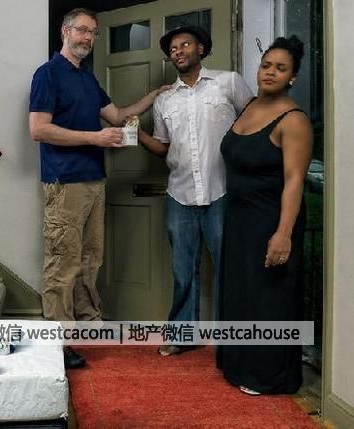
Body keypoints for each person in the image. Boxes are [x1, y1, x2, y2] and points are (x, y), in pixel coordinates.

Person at [29, 8, 164, 369]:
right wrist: (95, 137)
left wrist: (154, 95)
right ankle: (58, 344)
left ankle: (88, 326)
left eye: (93, 33)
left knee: (89, 260)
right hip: (64, 182)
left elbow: (117, 116)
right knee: (62, 263)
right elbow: (39, 129)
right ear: (66, 32)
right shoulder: (47, 74)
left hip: (93, 181)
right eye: (83, 30)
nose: (88, 38)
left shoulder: (87, 79)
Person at [138, 26, 253, 356]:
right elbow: (162, 147)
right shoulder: (164, 100)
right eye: (173, 48)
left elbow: (255, 122)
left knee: (229, 268)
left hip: (223, 192)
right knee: (183, 271)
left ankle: (232, 341)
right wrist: (133, 133)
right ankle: (183, 335)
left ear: (200, 48)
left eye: (185, 44)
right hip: (180, 195)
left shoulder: (228, 82)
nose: (178, 50)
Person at [217, 36, 312, 395]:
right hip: (239, 219)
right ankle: (239, 364)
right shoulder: (250, 106)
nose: (270, 72)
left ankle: (268, 375)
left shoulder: (294, 120)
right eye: (266, 65)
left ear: (292, 77)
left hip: (271, 220)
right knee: (241, 293)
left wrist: (283, 233)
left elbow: (294, 180)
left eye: (280, 68)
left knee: (268, 298)